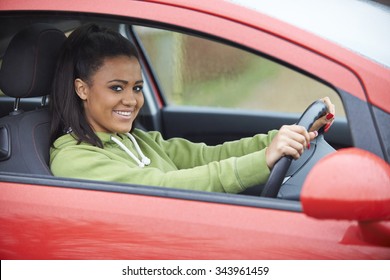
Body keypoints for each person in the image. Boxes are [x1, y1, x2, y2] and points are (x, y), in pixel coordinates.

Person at [50, 24, 335, 193]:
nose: (131, 100)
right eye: (116, 87)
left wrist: (283, 139)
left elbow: (205, 156)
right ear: (82, 89)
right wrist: (263, 160)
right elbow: (162, 186)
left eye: (136, 88)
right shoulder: (75, 159)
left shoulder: (136, 140)